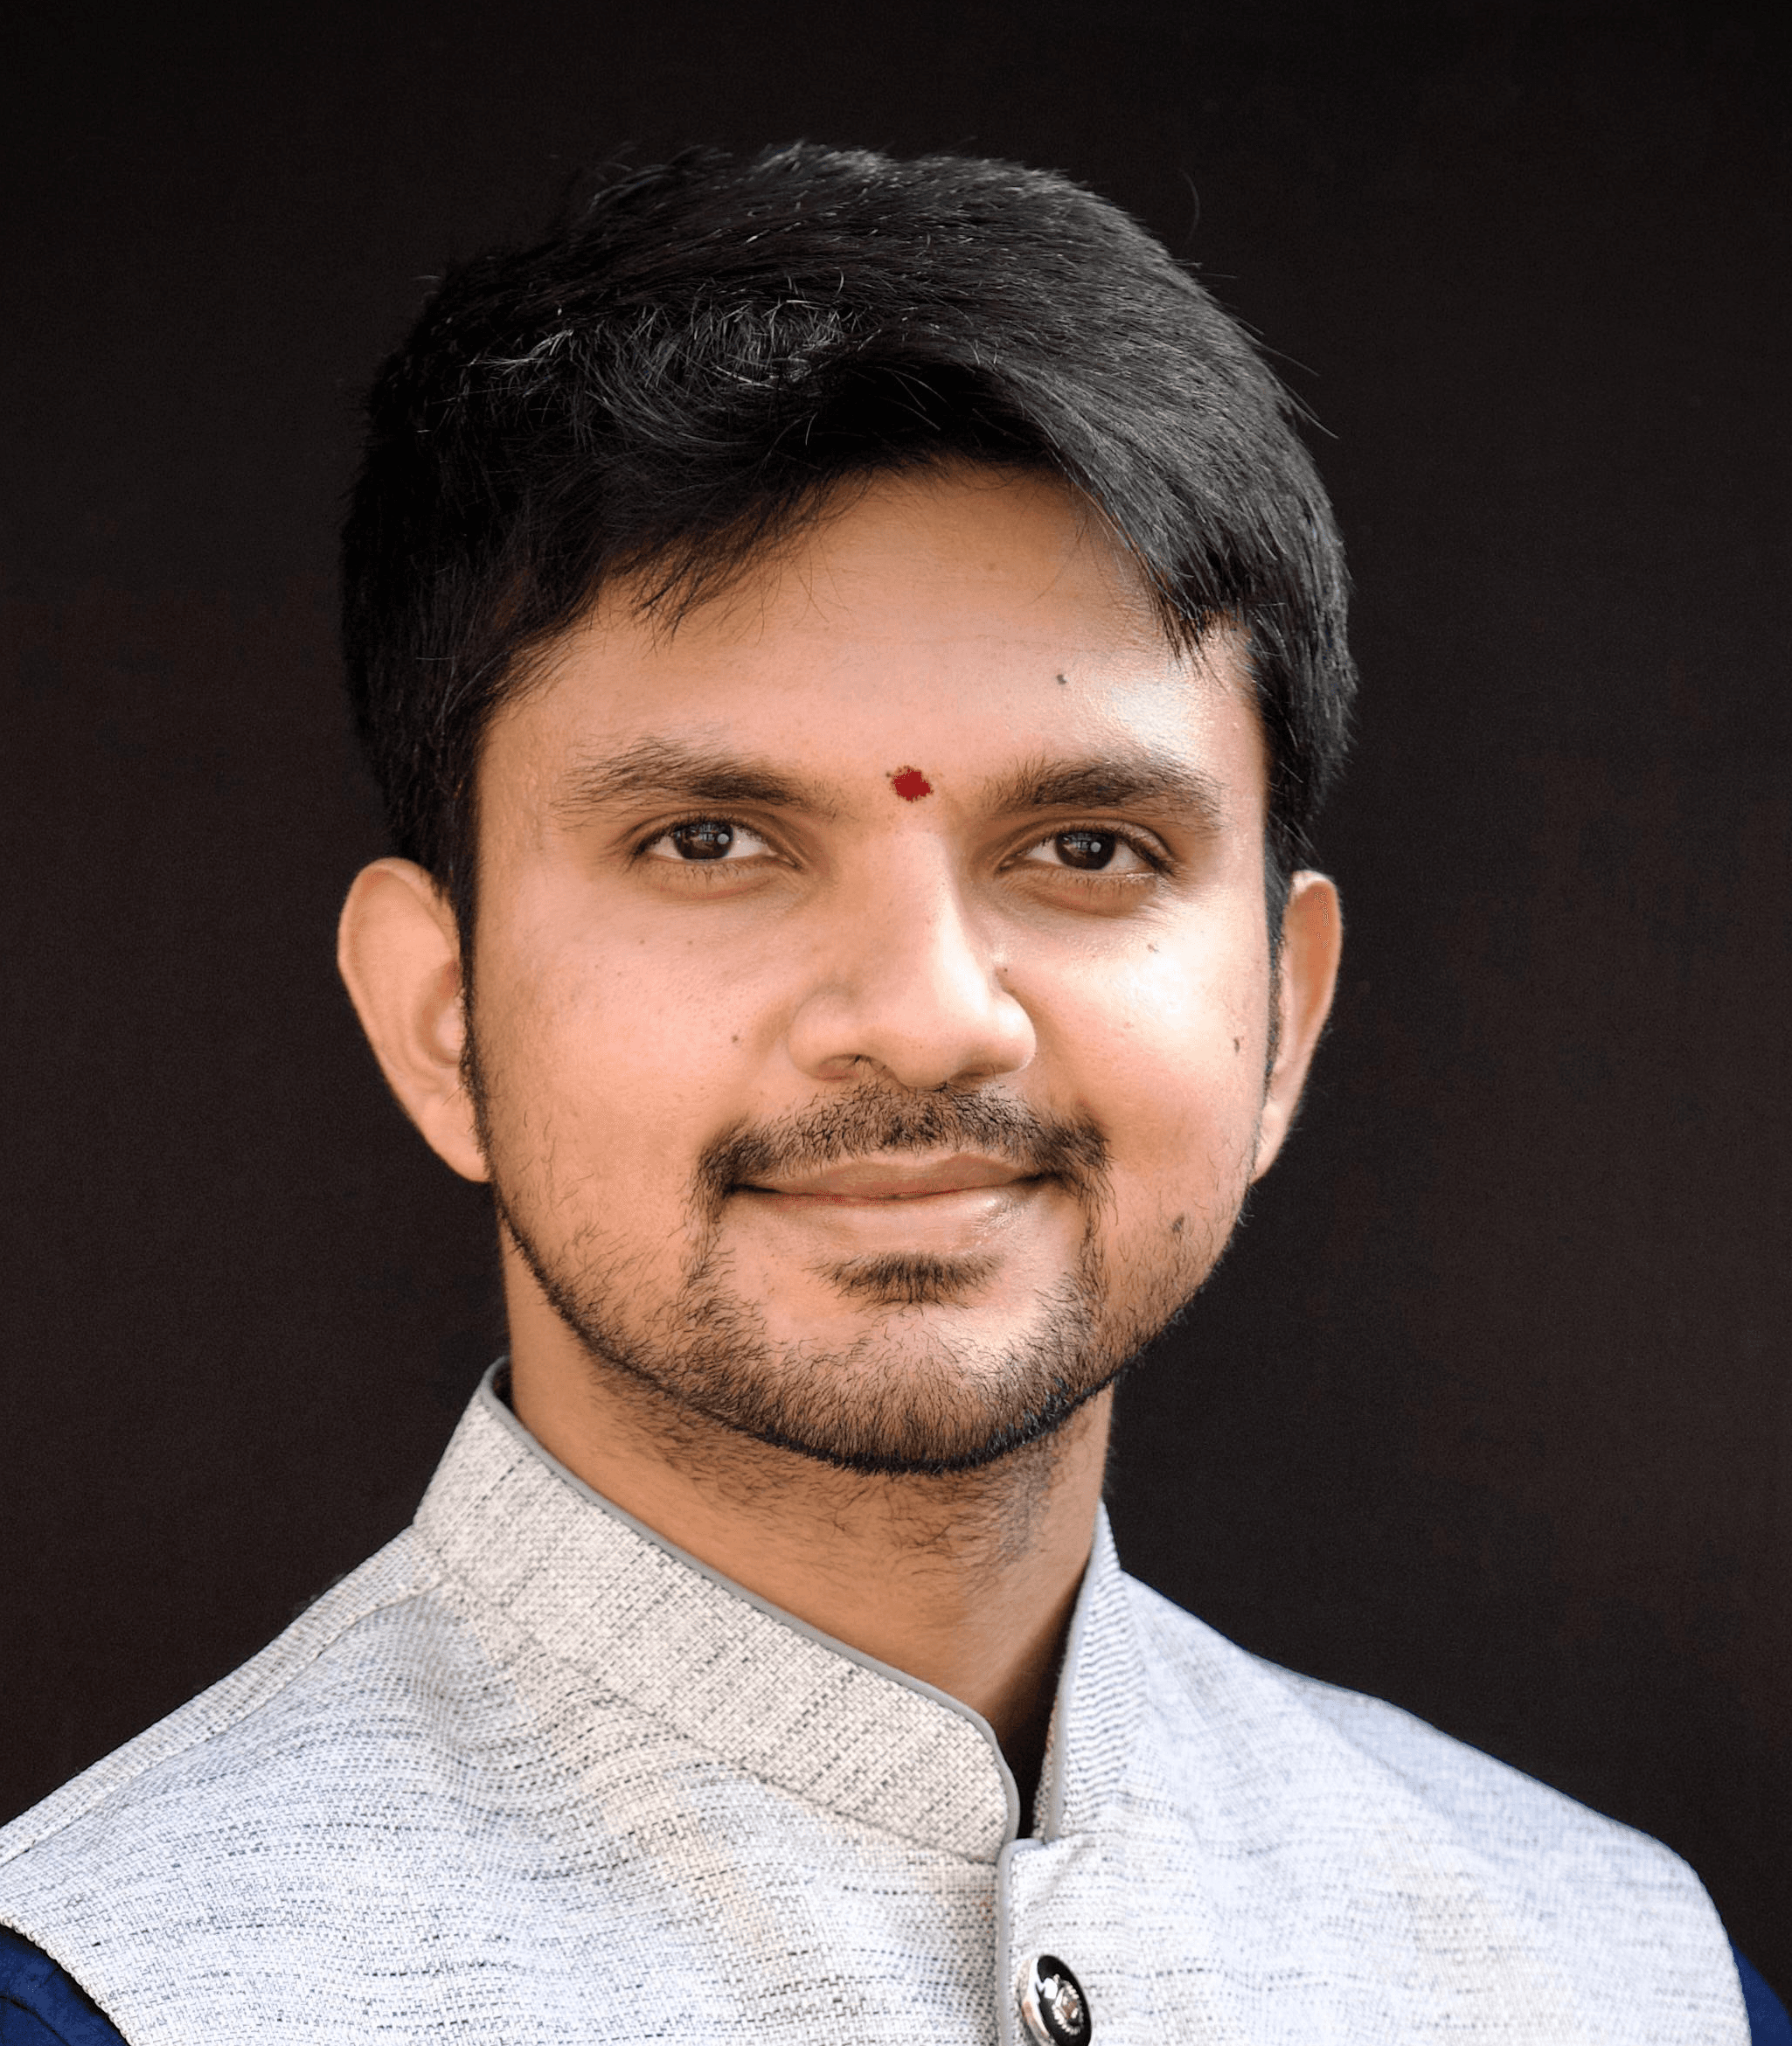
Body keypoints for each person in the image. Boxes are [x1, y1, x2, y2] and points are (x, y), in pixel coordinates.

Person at [0, 142, 1782, 2046]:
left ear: (1282, 1013)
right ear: (441, 1017)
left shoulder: (1623, 1983)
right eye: (710, 840)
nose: (929, 1022)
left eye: (1085, 849)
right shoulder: (107, 1996)